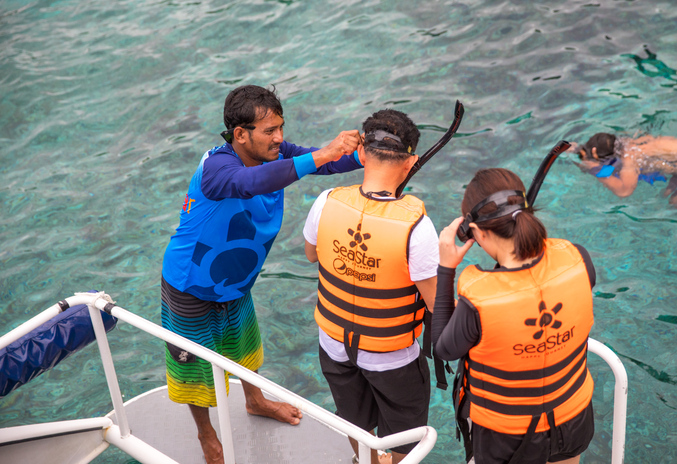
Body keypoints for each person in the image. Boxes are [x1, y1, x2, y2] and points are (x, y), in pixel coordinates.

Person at [161, 84, 363, 464]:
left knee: (246, 349)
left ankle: (254, 401)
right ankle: (206, 434)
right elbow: (251, 183)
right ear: (240, 135)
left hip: (235, 283)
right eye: (269, 131)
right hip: (190, 285)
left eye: (280, 128)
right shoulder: (217, 169)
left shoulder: (277, 153)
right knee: (197, 377)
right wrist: (323, 153)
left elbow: (328, 163)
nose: (280, 138)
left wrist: (372, 154)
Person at [432, 168, 597, 464]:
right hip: (573, 416)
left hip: (507, 435)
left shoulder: (479, 298)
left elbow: (443, 349)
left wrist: (446, 269)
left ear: (478, 232)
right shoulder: (579, 258)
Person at [303, 109, 439, 464]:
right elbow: (437, 305)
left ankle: (364, 460)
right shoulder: (417, 227)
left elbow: (311, 255)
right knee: (405, 438)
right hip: (390, 355)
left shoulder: (327, 200)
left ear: (361, 154)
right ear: (410, 163)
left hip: (333, 344)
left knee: (355, 420)